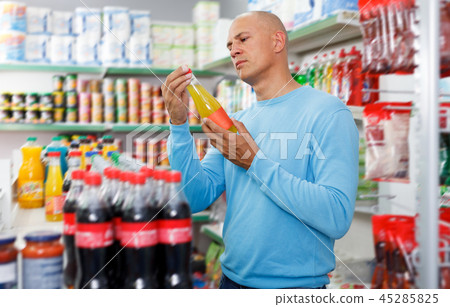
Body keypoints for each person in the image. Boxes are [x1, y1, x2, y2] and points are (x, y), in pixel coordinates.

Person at [162, 11, 359, 289]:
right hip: (230, 282)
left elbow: (337, 215)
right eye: (230, 46)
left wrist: (254, 162)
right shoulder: (236, 122)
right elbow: (192, 198)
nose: (234, 50)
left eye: (243, 39)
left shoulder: (328, 113)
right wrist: (178, 124)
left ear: (278, 42)